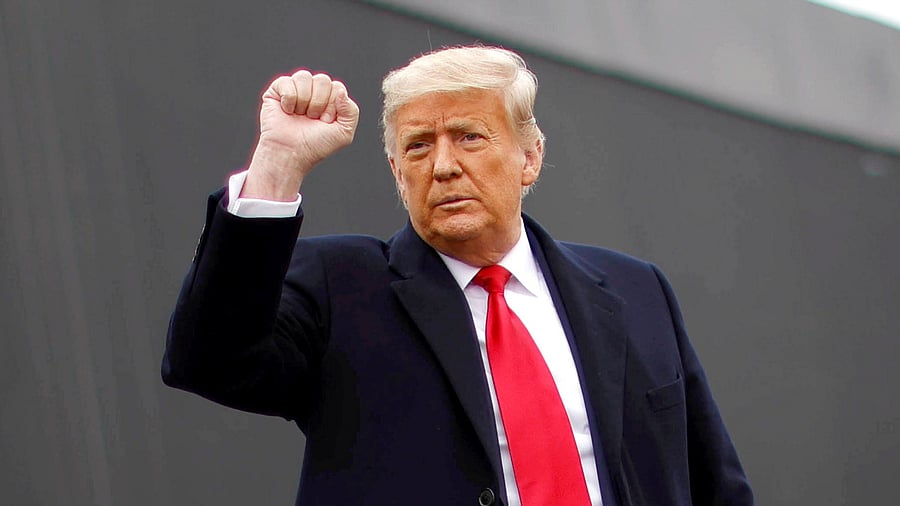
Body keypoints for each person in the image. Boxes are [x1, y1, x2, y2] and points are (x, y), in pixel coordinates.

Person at [162, 45, 753, 506]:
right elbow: (208, 360)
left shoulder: (634, 289)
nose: (443, 166)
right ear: (397, 170)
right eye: (418, 146)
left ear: (529, 156)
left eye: (469, 137)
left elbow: (713, 484)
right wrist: (278, 164)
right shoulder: (340, 286)